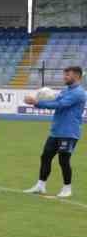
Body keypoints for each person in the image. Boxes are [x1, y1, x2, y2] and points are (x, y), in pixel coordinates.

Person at [22, 65, 83, 199]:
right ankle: (40, 185)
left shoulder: (79, 93)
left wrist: (36, 102)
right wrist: (37, 100)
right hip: (56, 132)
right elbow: (55, 101)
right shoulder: (65, 90)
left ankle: (67, 188)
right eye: (64, 74)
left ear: (77, 76)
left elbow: (60, 105)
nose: (65, 77)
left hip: (69, 132)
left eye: (68, 75)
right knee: (45, 157)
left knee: (64, 160)